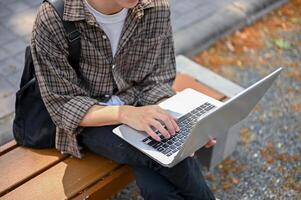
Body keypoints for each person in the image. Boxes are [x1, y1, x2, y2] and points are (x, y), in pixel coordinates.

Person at [31, 0, 217, 199]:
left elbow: (158, 78)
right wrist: (125, 114)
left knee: (158, 185)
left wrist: (181, 124)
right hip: (90, 119)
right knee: (165, 154)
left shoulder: (155, 7)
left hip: (140, 105)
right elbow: (63, 106)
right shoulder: (53, 17)